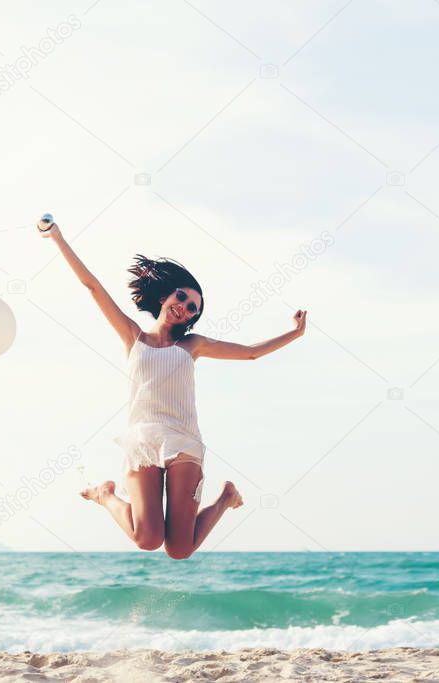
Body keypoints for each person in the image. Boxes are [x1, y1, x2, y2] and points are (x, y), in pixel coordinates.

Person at [39, 217, 306, 559]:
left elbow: (251, 353)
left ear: (190, 319)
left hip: (183, 443)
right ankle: (105, 494)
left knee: (179, 549)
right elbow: (92, 286)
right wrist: (58, 238)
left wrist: (295, 334)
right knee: (147, 539)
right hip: (142, 441)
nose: (184, 306)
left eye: (192, 308)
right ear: (166, 296)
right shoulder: (133, 336)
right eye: (182, 296)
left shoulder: (193, 345)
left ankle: (226, 498)